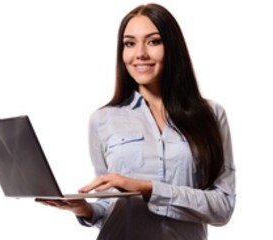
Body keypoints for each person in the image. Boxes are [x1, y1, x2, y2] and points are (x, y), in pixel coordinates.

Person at [35, 3, 235, 240]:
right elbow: (110, 207)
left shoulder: (211, 115)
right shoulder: (102, 120)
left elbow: (223, 206)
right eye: (130, 43)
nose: (140, 53)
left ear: (172, 47)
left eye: (153, 41)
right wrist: (86, 209)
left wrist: (149, 189)